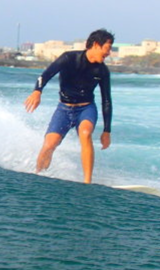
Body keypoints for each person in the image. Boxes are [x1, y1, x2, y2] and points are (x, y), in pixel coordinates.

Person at [24, 29, 114, 184]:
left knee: (85, 133)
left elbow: (106, 100)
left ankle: (87, 182)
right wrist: (37, 91)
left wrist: (107, 130)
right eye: (108, 48)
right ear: (96, 45)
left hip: (86, 109)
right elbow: (45, 75)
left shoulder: (102, 70)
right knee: (49, 144)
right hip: (64, 109)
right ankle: (38, 175)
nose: (109, 52)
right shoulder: (69, 58)